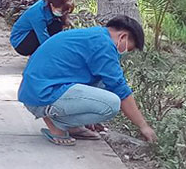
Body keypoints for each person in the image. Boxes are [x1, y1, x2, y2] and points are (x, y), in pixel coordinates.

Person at [17, 15, 158, 147]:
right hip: (42, 95)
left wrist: (90, 117)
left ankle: (70, 124)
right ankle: (57, 123)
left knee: (104, 83)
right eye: (129, 48)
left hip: (37, 90)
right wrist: (143, 126)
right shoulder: (104, 45)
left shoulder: (96, 36)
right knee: (112, 103)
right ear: (123, 37)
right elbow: (121, 91)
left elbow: (104, 82)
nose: (126, 52)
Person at [10, 0, 75, 56]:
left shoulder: (54, 6)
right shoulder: (37, 13)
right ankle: (38, 56)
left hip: (36, 32)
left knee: (57, 25)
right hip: (21, 41)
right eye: (61, 11)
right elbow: (43, 37)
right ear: (52, 5)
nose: (63, 13)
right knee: (46, 39)